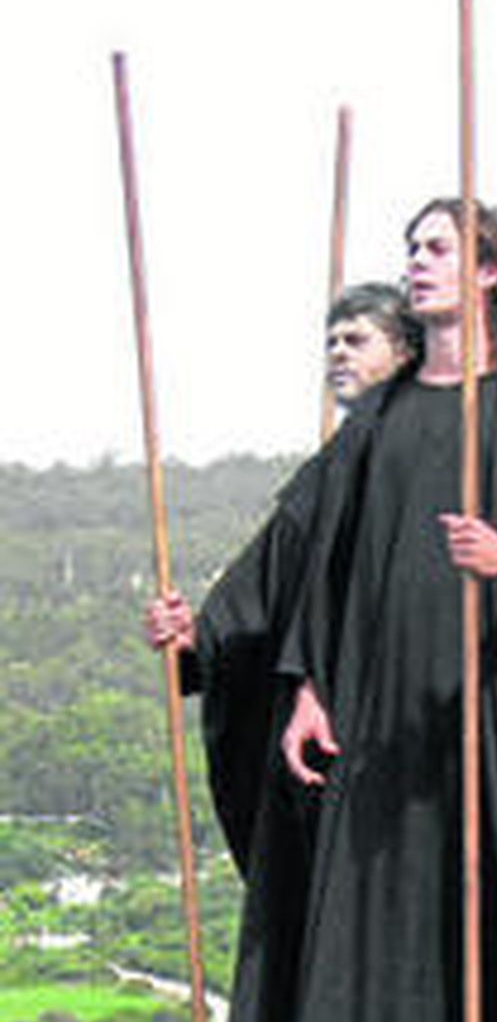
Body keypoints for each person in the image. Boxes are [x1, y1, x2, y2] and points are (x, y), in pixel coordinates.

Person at [202, 199, 497, 1022]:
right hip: (381, 720)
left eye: (440, 248)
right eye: (413, 249)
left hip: (494, 708)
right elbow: (325, 569)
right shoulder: (378, 422)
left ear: (491, 273)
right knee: (376, 919)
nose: (419, 263)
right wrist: (307, 684)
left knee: (493, 922)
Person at [143, 282, 419, 872]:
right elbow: (265, 587)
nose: (338, 353)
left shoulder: (425, 448)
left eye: (356, 339)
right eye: (331, 342)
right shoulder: (331, 467)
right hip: (328, 729)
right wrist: (197, 639)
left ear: (402, 352)